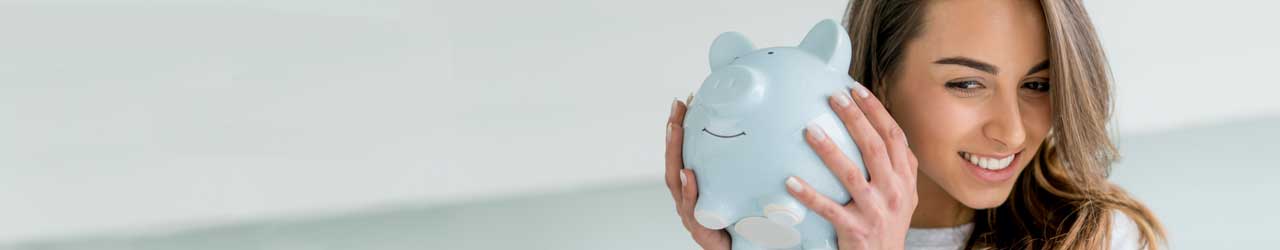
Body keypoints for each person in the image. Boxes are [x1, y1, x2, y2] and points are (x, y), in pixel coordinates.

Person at [663, 0, 1167, 249]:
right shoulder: (796, 229)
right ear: (878, 77)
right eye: (967, 84)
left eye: (1037, 85)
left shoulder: (1096, 236)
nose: (1012, 133)